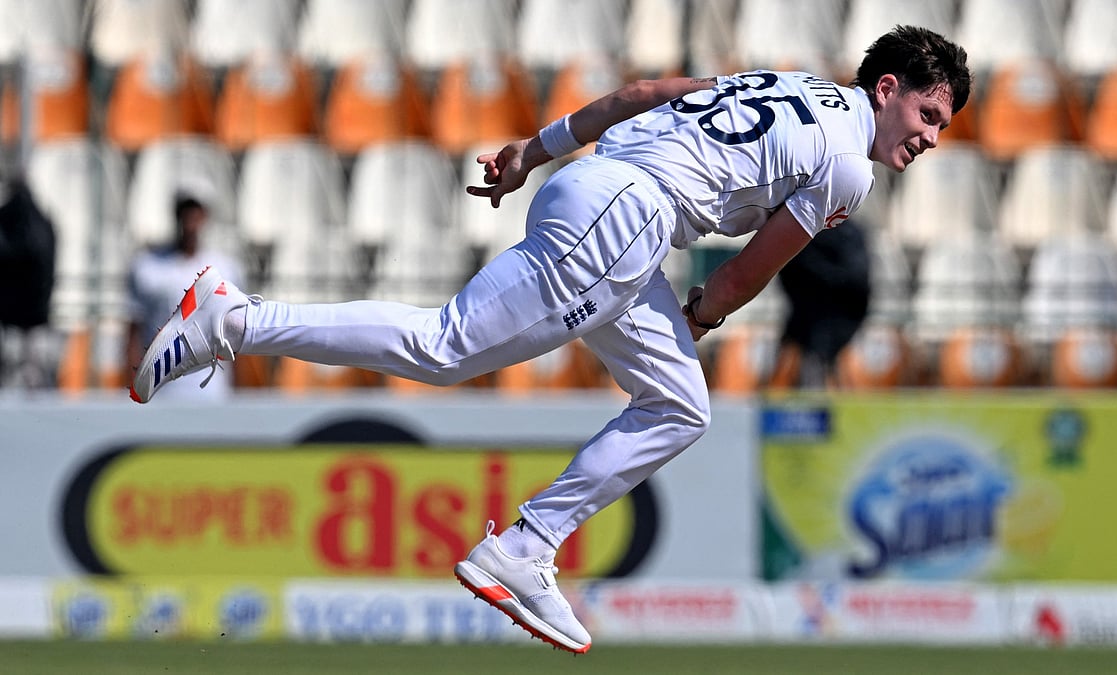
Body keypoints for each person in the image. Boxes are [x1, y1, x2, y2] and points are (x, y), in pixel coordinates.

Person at [129, 26, 971, 652]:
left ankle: (526, 545)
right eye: (928, 113)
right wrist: (702, 316)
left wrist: (532, 150)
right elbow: (752, 270)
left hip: (599, 194)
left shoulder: (781, 81)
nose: (930, 138)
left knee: (680, 405)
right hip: (628, 219)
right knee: (446, 348)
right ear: (888, 86)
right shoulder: (849, 163)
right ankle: (234, 318)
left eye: (942, 127)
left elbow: (639, 96)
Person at [126, 193, 243, 402]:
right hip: (161, 387)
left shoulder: (226, 269)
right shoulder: (148, 267)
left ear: (204, 217)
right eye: (185, 212)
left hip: (211, 389)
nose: (190, 220)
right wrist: (134, 385)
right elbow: (133, 331)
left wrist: (238, 390)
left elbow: (236, 333)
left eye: (195, 213)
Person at [769, 216, 872, 389]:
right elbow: (786, 272)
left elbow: (857, 280)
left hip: (840, 315)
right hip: (805, 314)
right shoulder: (800, 226)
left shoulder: (848, 233)